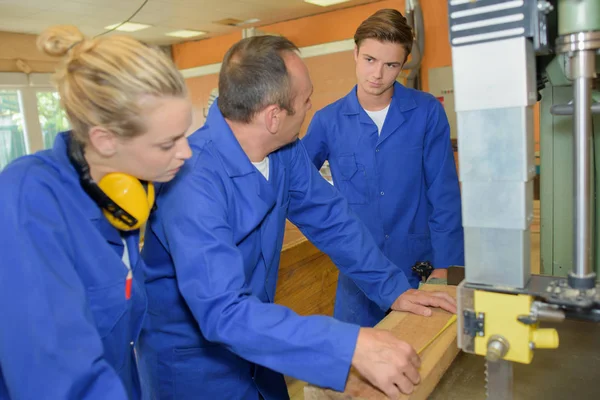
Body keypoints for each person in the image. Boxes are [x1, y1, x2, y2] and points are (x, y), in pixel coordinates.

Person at [139, 35, 455, 400]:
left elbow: (333, 220)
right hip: (198, 367)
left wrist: (394, 289)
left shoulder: (282, 152)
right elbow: (223, 311)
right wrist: (347, 346)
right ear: (274, 116)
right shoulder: (193, 179)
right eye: (305, 100)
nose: (310, 107)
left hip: (262, 345)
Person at [0, 25, 192, 399]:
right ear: (105, 140)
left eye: (184, 134)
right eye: (168, 143)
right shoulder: (27, 200)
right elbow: (57, 381)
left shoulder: (120, 194)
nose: (185, 152)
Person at [302, 9, 464, 328]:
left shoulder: (426, 112)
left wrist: (443, 267)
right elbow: (296, 179)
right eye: (370, 60)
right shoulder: (327, 121)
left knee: (420, 357)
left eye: (390, 65)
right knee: (357, 364)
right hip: (359, 270)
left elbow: (443, 192)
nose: (377, 74)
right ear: (355, 53)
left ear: (402, 65)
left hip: (419, 265)